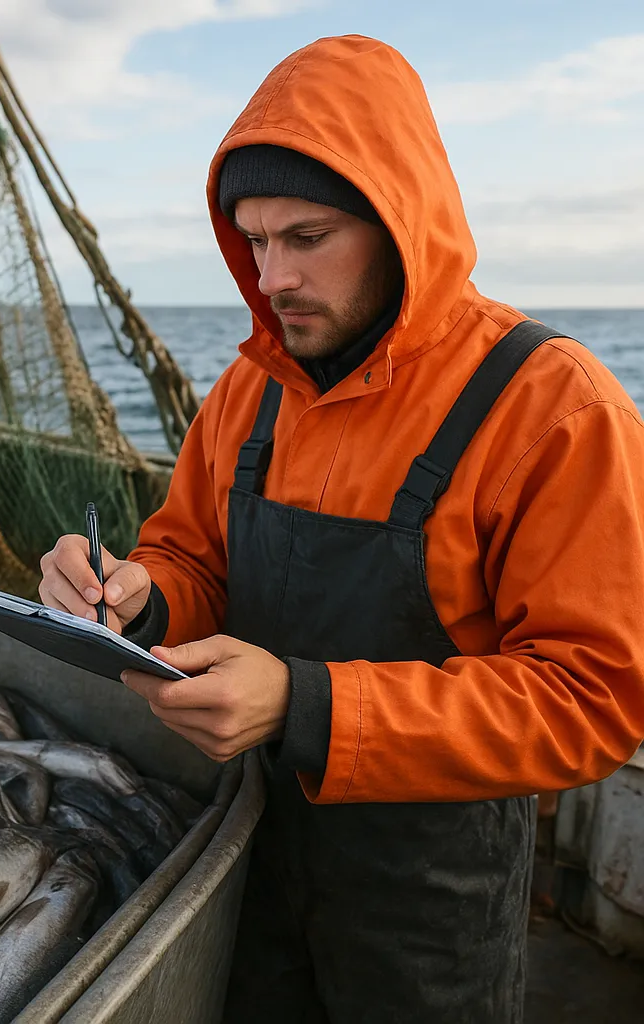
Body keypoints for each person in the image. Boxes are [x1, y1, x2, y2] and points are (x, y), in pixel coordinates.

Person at [38, 34, 644, 1023]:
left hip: (427, 903)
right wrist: (136, 595)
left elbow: (591, 697)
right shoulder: (246, 391)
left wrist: (310, 707)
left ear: (399, 222)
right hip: (238, 852)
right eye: (253, 239)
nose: (272, 276)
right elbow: (189, 555)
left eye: (307, 238)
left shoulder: (554, 406)